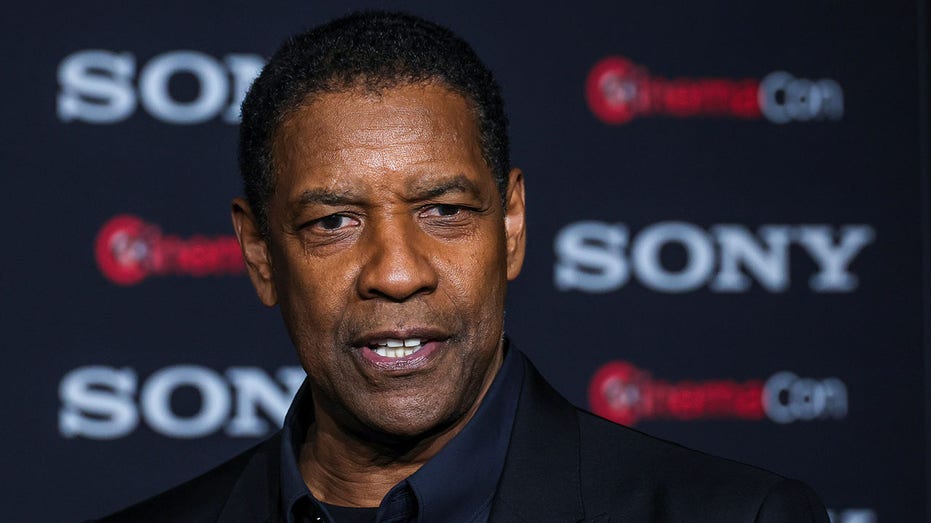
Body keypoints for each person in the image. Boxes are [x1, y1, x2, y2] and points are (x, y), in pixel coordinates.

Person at [97, 10, 829, 523]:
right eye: (334, 221)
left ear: (510, 224)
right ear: (260, 252)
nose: (395, 271)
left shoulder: (732, 514)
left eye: (444, 210)